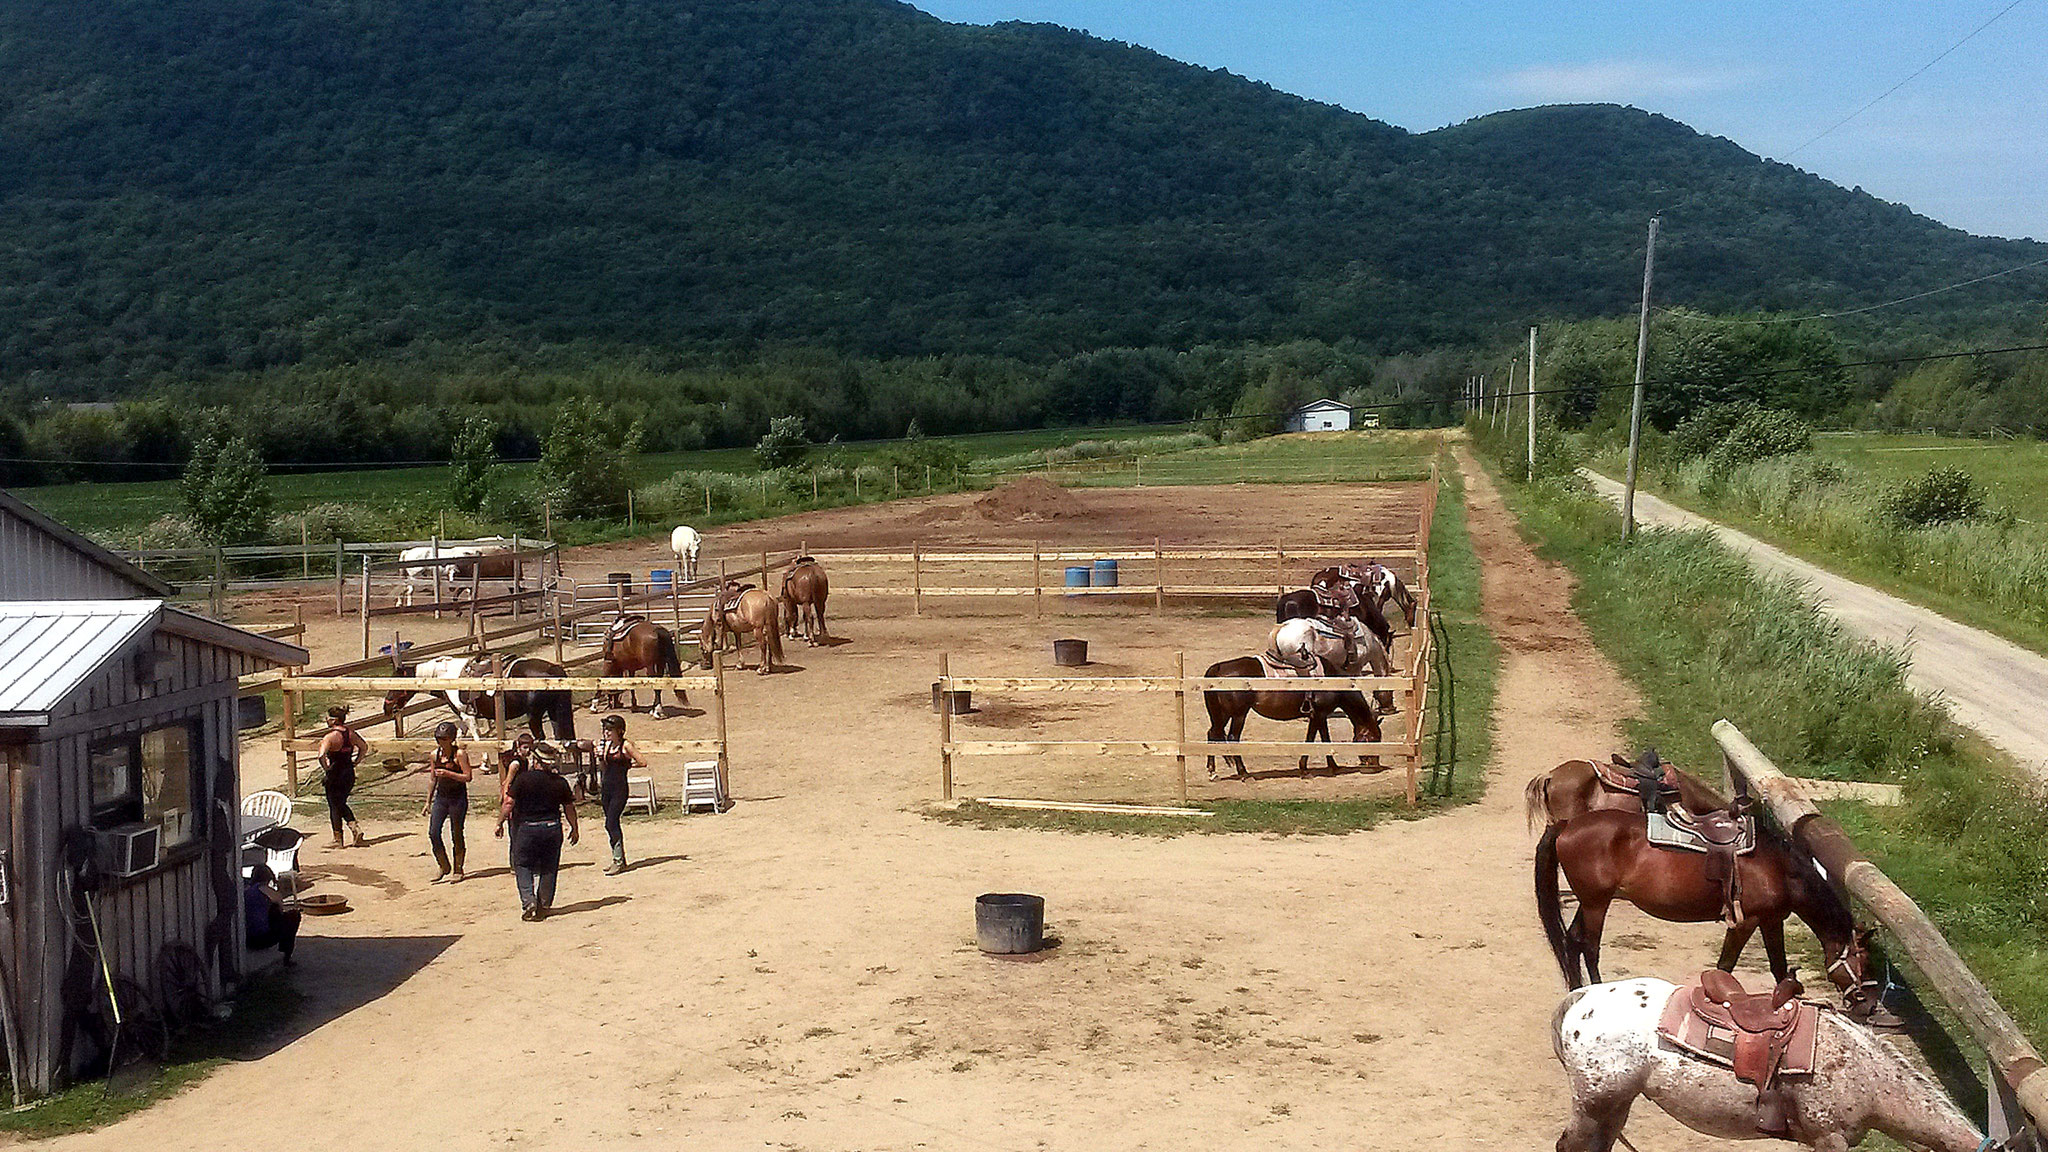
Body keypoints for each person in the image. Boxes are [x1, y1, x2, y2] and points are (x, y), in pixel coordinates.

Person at [495, 742, 579, 921]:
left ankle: (528, 900)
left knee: (523, 864)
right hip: (552, 827)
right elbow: (569, 807)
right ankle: (544, 903)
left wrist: (500, 822)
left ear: (535, 760)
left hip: (527, 828)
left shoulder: (523, 779)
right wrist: (574, 828)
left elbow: (509, 802)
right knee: (549, 866)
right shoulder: (560, 782)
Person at [593, 714, 645, 875]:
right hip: (606, 787)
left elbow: (642, 761)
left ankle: (618, 860)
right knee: (610, 823)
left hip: (619, 788)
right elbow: (604, 766)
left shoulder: (626, 745)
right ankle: (619, 857)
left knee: (611, 822)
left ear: (619, 731)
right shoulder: (607, 745)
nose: (606, 733)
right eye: (605, 729)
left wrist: (627, 765)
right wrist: (599, 757)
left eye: (610, 730)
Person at [424, 721, 475, 883]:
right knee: (433, 832)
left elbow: (468, 777)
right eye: (438, 738)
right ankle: (443, 864)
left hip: (457, 798)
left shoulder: (459, 754)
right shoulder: (435, 755)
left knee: (456, 833)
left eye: (444, 738)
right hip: (441, 797)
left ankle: (458, 868)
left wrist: (448, 773)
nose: (441, 742)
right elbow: (433, 779)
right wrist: (428, 801)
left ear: (451, 739)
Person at [316, 705, 369, 848]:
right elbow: (364, 747)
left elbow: (321, 755)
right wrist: (356, 761)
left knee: (334, 804)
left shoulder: (330, 737)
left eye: (328, 718)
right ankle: (354, 828)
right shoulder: (351, 734)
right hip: (348, 771)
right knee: (340, 802)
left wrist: (327, 768)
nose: (326, 720)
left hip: (335, 772)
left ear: (334, 720)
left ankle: (337, 839)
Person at [244, 863, 303, 964]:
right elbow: (280, 905)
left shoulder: (246, 890)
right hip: (262, 938)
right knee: (294, 915)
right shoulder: (263, 889)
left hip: (247, 938)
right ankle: (286, 956)